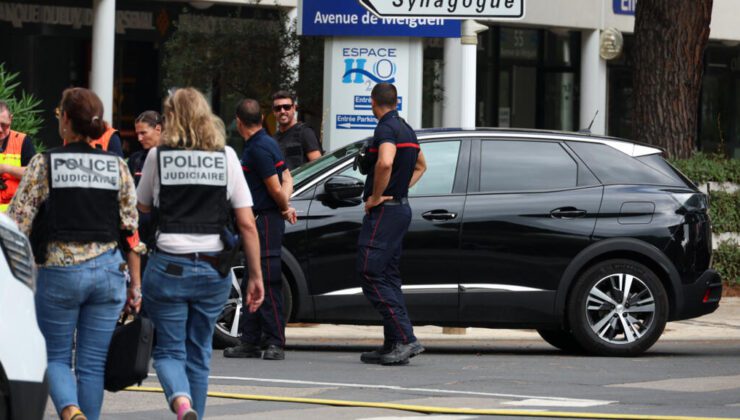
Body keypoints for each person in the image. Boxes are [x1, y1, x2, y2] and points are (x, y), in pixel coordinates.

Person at [8, 87, 141, 420]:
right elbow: (130, 226)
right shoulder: (117, 165)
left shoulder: (44, 163)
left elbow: (17, 222)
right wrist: (135, 284)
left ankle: (69, 410)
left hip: (58, 271)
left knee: (54, 356)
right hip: (109, 272)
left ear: (65, 120)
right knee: (92, 365)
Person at [137, 87, 264, 420]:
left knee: (167, 351)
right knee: (199, 353)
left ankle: (180, 401)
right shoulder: (227, 157)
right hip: (213, 271)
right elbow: (247, 224)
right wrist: (255, 276)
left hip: (168, 268)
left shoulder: (157, 157)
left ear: (171, 120)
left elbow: (142, 206)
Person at [357, 83, 427, 366]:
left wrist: (376, 197)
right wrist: (399, 189)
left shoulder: (385, 128)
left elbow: (384, 163)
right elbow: (422, 165)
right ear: (396, 101)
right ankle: (393, 342)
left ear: (373, 102)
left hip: (385, 213)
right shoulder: (406, 129)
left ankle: (406, 338)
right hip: (400, 209)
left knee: (369, 271)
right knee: (388, 275)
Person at [223, 99, 296, 361]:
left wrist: (283, 206)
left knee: (265, 280)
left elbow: (277, 186)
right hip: (264, 218)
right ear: (263, 118)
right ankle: (250, 340)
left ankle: (274, 341)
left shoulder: (259, 148)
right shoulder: (266, 143)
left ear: (239, 122)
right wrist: (286, 207)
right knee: (251, 281)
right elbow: (288, 177)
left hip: (264, 220)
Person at [0, 100, 36, 212]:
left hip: (14, 213)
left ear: (11, 119)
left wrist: (5, 168)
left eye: (4, 125)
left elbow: (33, 173)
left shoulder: (22, 140)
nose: (0, 130)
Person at [271, 90, 321, 170]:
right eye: (278, 108)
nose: (282, 111)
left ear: (294, 108)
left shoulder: (305, 133)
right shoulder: (273, 139)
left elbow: (318, 168)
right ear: (274, 112)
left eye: (286, 107)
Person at [129, 110, 162, 186]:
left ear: (158, 129)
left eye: (143, 133)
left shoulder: (171, 157)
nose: (139, 138)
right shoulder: (135, 159)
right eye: (137, 134)